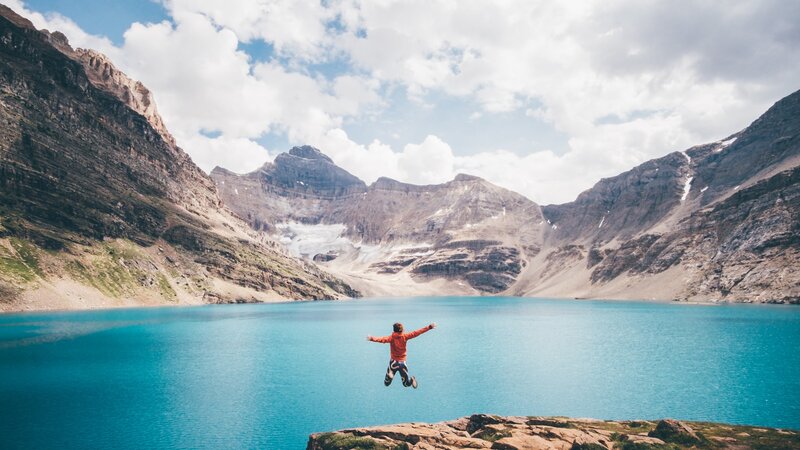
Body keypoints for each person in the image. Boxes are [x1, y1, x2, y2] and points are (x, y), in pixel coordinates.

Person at [367, 322, 436, 389]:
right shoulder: (405, 336)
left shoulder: (391, 338)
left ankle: (390, 376)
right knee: (406, 384)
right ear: (402, 330)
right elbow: (417, 333)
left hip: (393, 363)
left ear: (394, 330)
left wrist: (372, 338)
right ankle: (412, 380)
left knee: (386, 383)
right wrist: (429, 327)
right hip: (402, 364)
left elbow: (382, 339)